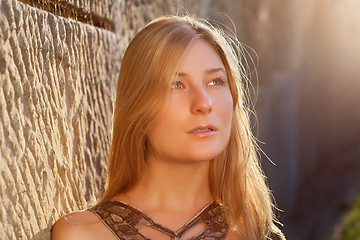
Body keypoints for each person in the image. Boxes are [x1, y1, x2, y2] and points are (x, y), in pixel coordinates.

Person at [51, 15, 285, 240]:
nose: (204, 103)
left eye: (215, 81)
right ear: (138, 111)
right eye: (177, 84)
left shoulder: (256, 232)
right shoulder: (80, 234)